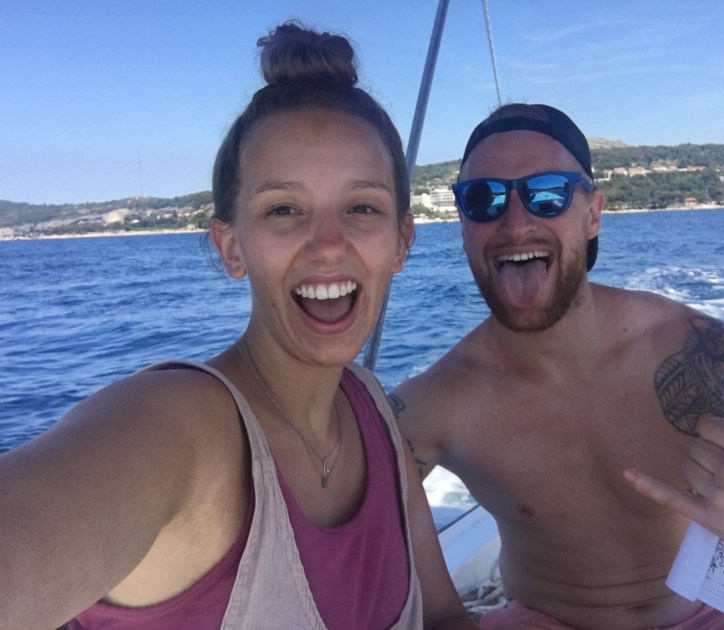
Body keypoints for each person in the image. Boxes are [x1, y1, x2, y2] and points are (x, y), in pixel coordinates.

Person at [0, 21, 477, 630]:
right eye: (284, 209)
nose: (329, 245)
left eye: (362, 207)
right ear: (231, 247)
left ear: (401, 241)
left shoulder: (372, 406)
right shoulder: (176, 428)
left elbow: (443, 616)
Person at [390, 103, 724, 629]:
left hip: (715, 616)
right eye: (482, 199)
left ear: (593, 214)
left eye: (547, 193)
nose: (516, 222)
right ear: (463, 226)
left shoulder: (701, 357)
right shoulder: (438, 402)